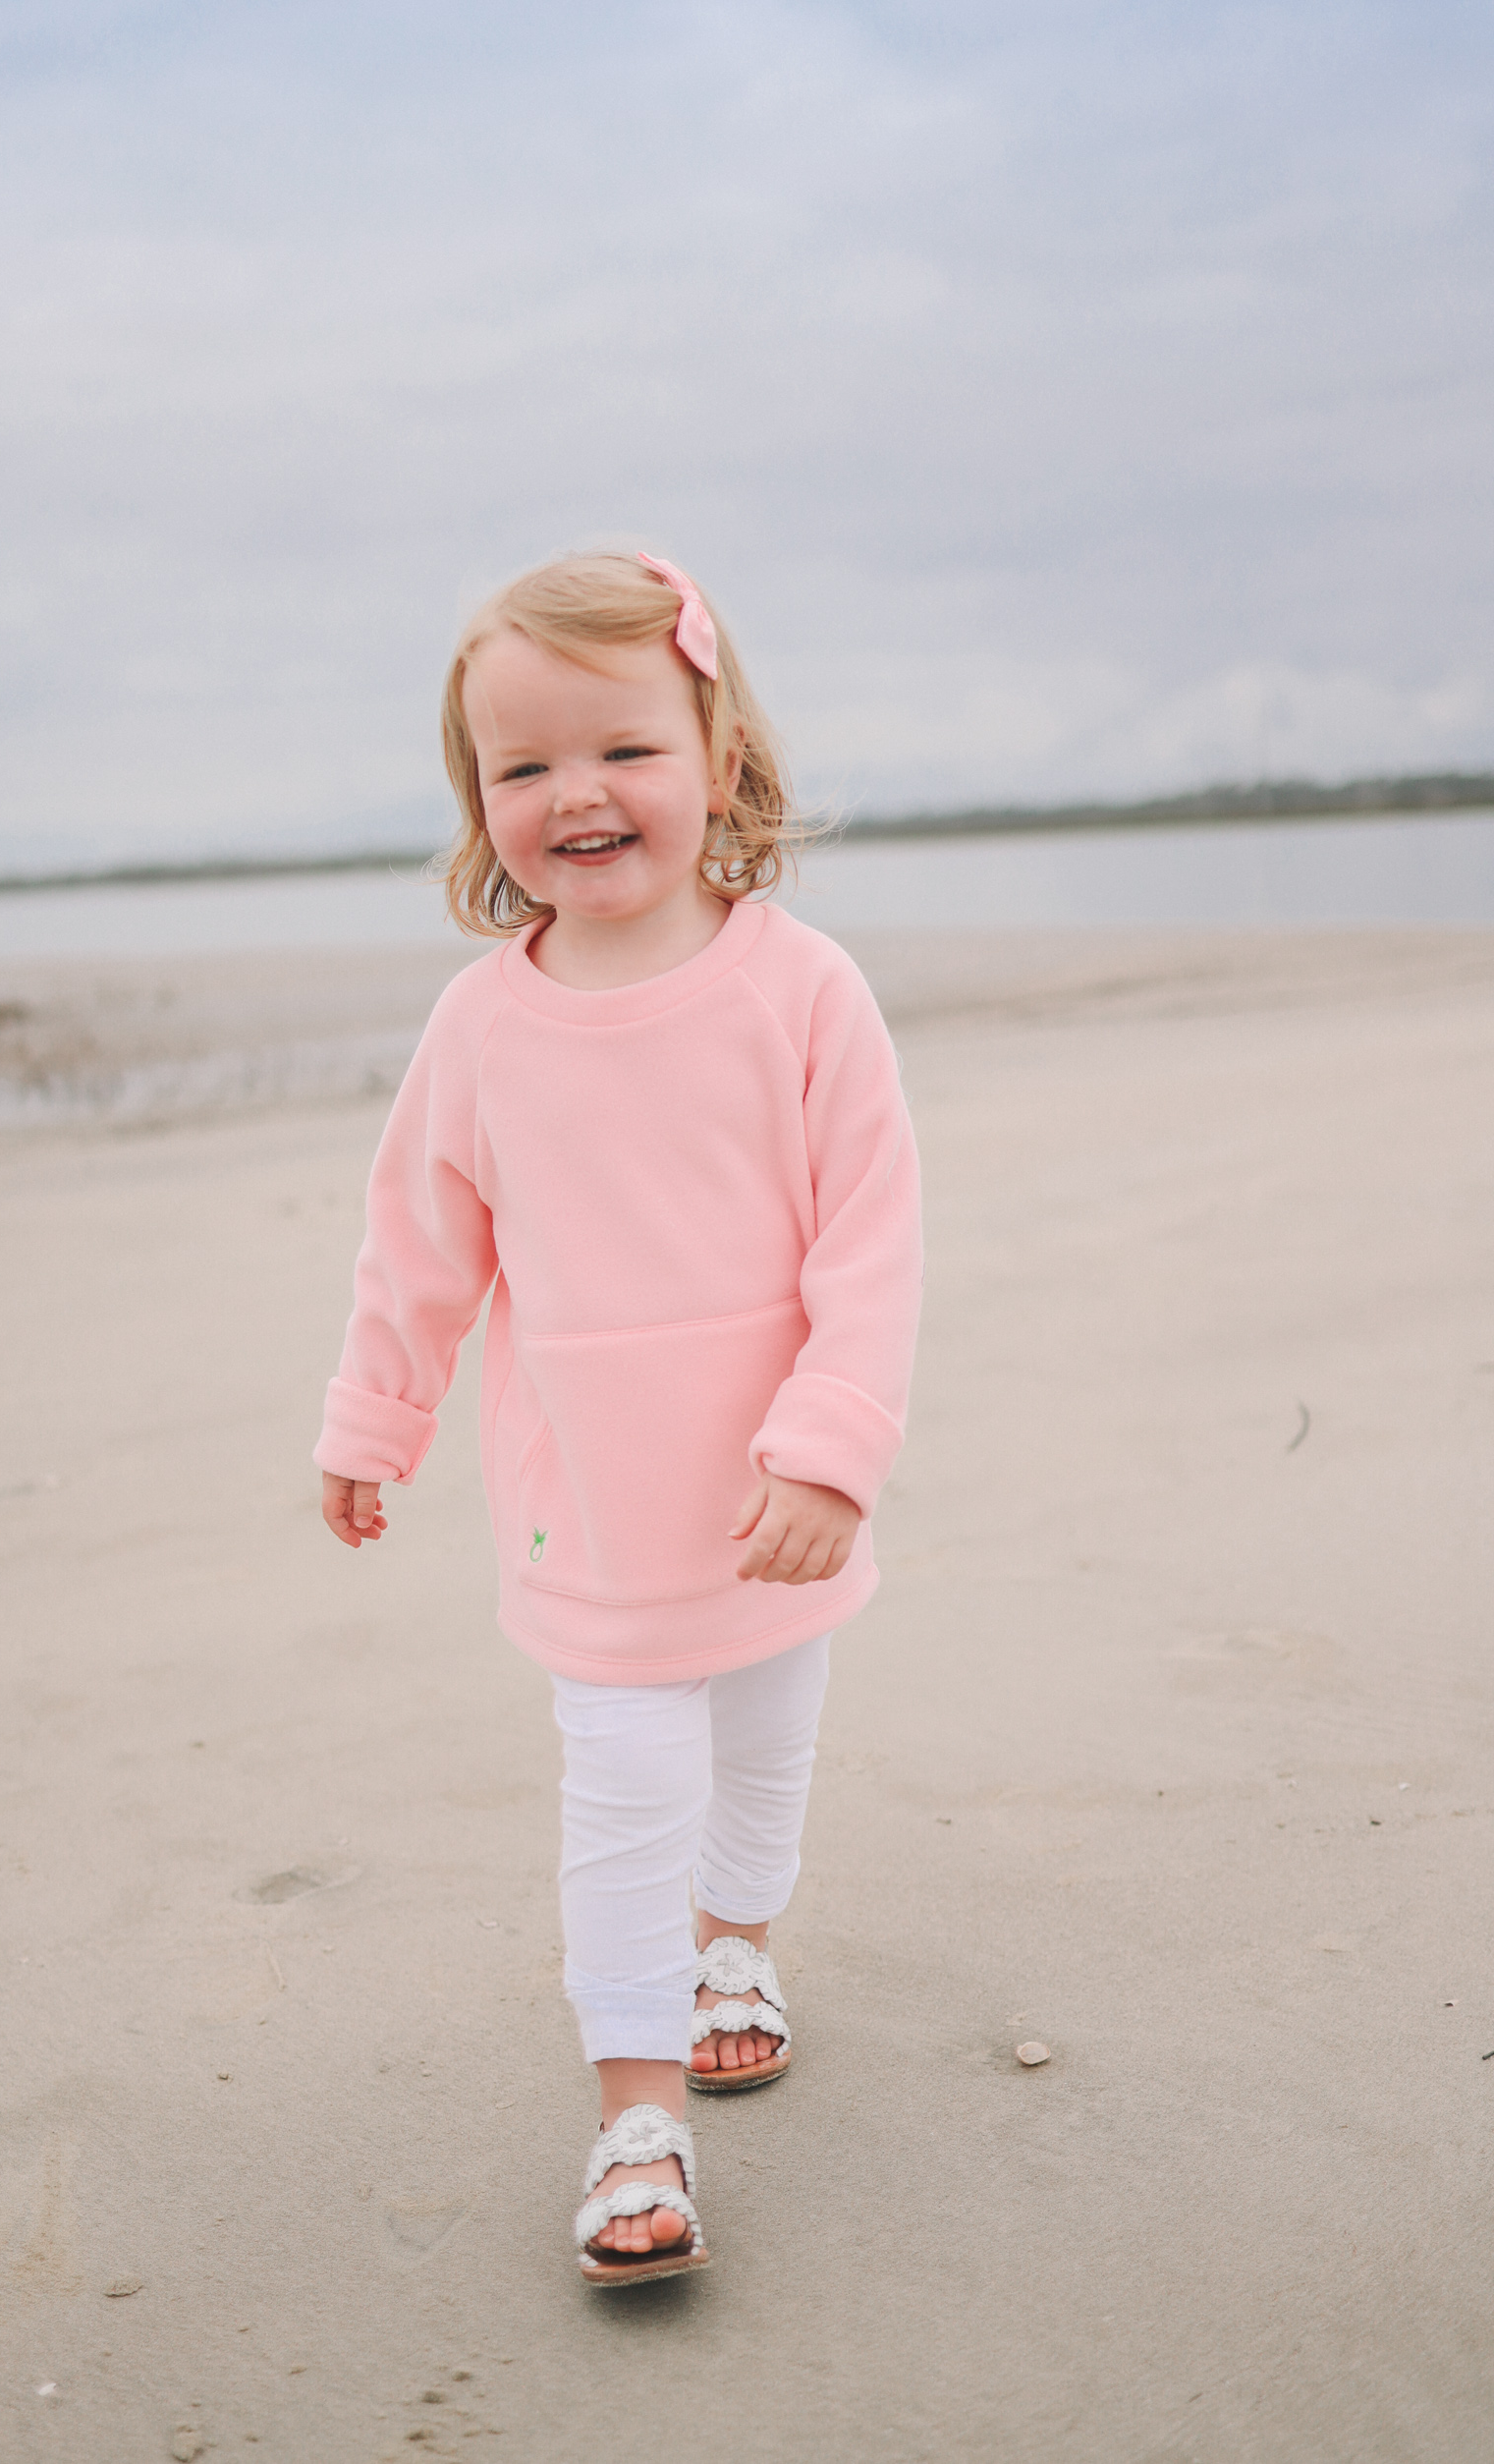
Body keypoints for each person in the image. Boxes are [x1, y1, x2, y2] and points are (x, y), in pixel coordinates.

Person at [315, 549, 923, 2285]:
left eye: (624, 750)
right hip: (588, 1504)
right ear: (479, 802)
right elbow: (419, 1244)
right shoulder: (482, 1030)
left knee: (763, 1763)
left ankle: (742, 1942)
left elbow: (873, 1242)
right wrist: (376, 1415)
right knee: (625, 1792)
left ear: (716, 757)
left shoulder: (803, 992)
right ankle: (634, 2107)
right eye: (523, 767)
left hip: (773, 1494)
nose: (576, 794)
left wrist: (831, 1447)